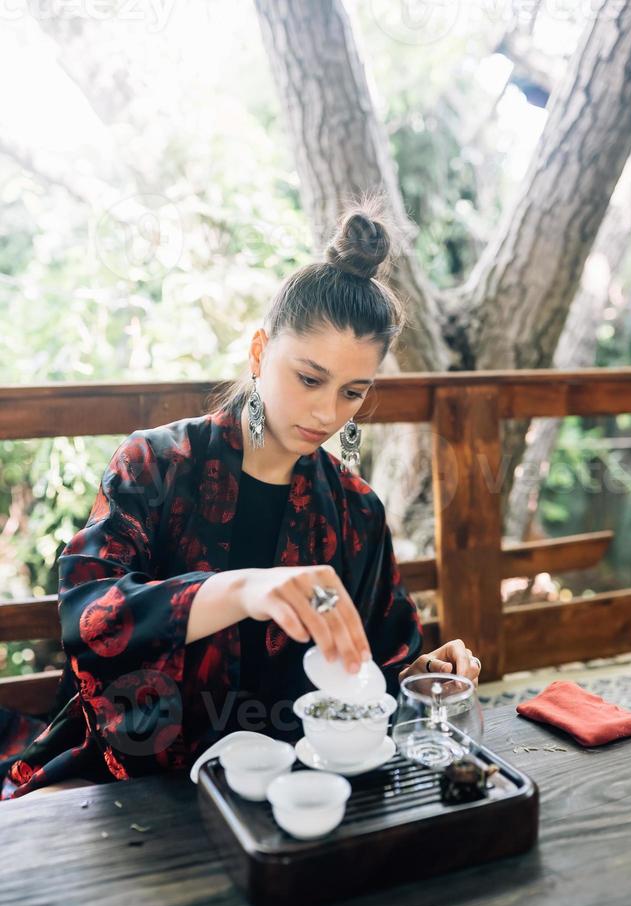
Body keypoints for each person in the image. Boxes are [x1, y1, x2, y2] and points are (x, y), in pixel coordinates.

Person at [0, 199, 480, 801]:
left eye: (353, 392)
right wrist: (244, 589)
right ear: (259, 352)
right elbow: (92, 615)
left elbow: (377, 662)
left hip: (293, 783)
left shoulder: (355, 513)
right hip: (142, 776)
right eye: (309, 379)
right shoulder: (156, 465)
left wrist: (422, 674)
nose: (327, 413)